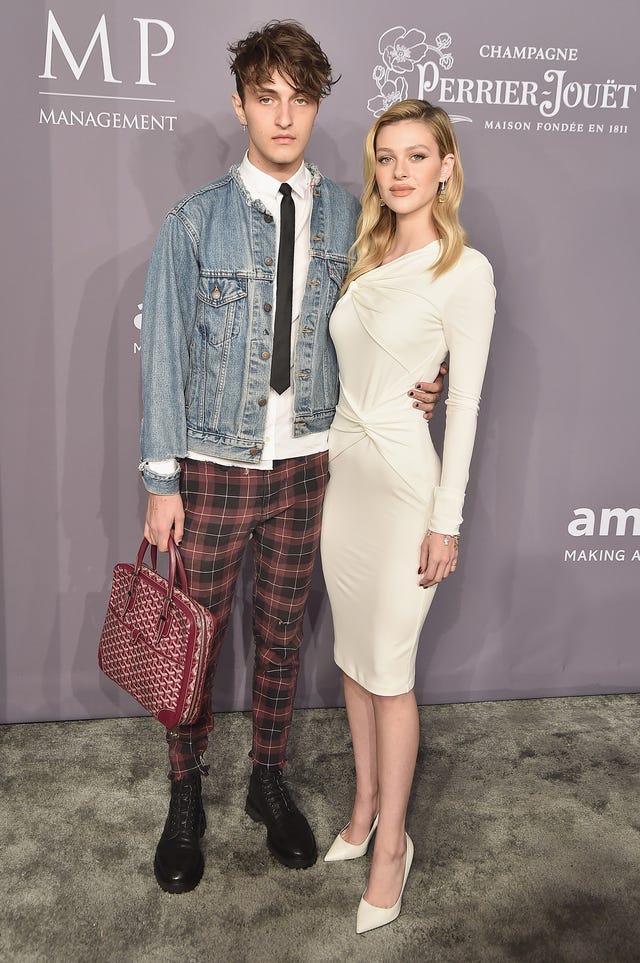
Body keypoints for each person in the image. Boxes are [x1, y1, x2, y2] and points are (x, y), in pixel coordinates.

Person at [139, 23, 444, 894]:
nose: (283, 115)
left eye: (300, 98)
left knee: (279, 637)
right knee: (192, 645)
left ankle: (266, 776)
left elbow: (398, 310)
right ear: (240, 104)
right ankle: (184, 791)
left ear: (316, 107)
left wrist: (430, 372)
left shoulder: (353, 214)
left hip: (312, 464)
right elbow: (162, 353)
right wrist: (161, 477)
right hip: (212, 467)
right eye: (266, 96)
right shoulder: (195, 221)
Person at [321, 99, 496, 933]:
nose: (398, 171)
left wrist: (446, 521)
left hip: (402, 488)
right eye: (386, 157)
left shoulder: (466, 271)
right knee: (354, 661)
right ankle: (361, 808)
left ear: (445, 168)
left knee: (390, 670)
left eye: (416, 156)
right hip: (343, 478)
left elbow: (461, 406)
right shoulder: (365, 253)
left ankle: (393, 843)